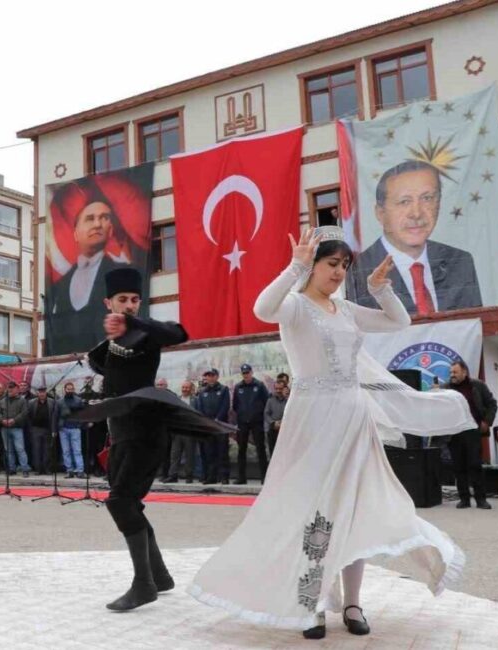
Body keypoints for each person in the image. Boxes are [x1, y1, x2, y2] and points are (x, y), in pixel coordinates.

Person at [190, 226, 475, 640]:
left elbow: (399, 320)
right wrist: (294, 267)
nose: (339, 272)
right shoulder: (296, 307)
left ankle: (353, 602)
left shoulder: (346, 311)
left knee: (352, 508)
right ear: (314, 264)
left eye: (344, 265)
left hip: (353, 415)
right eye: (331, 263)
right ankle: (313, 602)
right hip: (312, 416)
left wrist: (380, 289)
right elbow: (262, 308)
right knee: (315, 511)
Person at [75, 267, 231, 612]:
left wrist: (134, 323)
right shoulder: (111, 342)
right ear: (108, 303)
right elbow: (104, 369)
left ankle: (144, 584)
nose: (129, 305)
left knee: (120, 502)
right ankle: (158, 576)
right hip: (120, 433)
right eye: (122, 300)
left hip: (145, 432)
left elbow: (180, 331)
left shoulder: (147, 333)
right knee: (127, 502)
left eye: (134, 300)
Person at [348, 160, 481, 315]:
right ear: (380, 213)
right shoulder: (359, 270)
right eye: (404, 201)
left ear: (439, 203)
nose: (416, 213)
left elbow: (475, 329)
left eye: (427, 198)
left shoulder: (460, 262)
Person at [45, 190, 134, 355]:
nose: (97, 224)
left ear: (111, 229)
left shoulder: (122, 275)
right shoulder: (58, 287)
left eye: (104, 218)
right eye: (90, 218)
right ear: (75, 233)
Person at [440, 361, 497, 509]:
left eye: (455, 372)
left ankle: (481, 499)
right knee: (458, 466)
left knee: (475, 465)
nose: (452, 375)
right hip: (454, 432)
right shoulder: (445, 389)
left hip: (473, 431)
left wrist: (486, 421)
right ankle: (464, 499)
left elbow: (492, 404)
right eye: (451, 372)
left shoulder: (478, 386)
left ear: (464, 372)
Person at [232, 364, 269, 484]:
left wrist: (257, 414)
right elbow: (236, 405)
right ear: (242, 374)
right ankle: (241, 478)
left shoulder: (259, 385)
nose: (246, 375)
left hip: (256, 423)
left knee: (261, 449)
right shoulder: (238, 387)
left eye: (247, 372)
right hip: (243, 423)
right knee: (241, 450)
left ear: (251, 373)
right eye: (244, 373)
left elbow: (266, 402)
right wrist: (243, 416)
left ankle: (265, 477)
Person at [196, 369, 231, 485]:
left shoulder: (224, 389)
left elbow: (225, 406)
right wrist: (206, 421)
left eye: (212, 375)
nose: (210, 378)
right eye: (208, 376)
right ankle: (211, 477)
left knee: (222, 452)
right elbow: (200, 408)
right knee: (209, 453)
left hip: (221, 426)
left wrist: (217, 420)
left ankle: (224, 477)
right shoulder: (202, 392)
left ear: (217, 377)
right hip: (208, 427)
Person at [163, 381, 200, 484]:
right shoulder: (176, 399)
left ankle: (189, 476)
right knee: (174, 455)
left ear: (191, 389)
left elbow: (199, 415)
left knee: (189, 455)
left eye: (187, 387)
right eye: (183, 387)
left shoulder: (196, 400)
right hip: (177, 432)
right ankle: (173, 476)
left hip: (190, 431)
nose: (185, 389)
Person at [0, 382, 30, 477]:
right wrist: (2, 420)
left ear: (17, 389)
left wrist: (14, 420)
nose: (10, 390)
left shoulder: (22, 400)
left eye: (12, 388)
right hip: (5, 428)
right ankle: (12, 469)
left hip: (17, 428)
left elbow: (24, 413)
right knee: (9, 450)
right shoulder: (2, 401)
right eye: (9, 388)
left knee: (20, 449)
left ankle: (25, 469)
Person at [54, 382, 86, 478]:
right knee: (66, 451)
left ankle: (80, 470)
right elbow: (55, 415)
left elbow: (83, 413)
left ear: (74, 389)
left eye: (71, 389)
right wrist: (54, 429)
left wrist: (82, 424)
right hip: (63, 428)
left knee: (77, 450)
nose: (70, 390)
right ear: (65, 389)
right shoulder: (59, 401)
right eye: (68, 389)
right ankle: (69, 470)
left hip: (75, 428)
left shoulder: (78, 400)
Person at [26, 387, 57, 476]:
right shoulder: (31, 402)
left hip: (48, 429)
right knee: (36, 450)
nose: (42, 394)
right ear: (37, 393)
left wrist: (54, 430)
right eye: (40, 392)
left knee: (47, 451)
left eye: (43, 392)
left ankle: (47, 469)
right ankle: (38, 469)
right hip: (36, 429)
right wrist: (31, 429)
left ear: (46, 393)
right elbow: (28, 416)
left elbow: (55, 417)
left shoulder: (52, 402)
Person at [263, 379, 288, 456]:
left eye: (280, 389)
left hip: (286, 430)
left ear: (285, 388)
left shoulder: (289, 400)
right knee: (273, 452)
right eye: (276, 388)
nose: (278, 391)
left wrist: (282, 423)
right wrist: (274, 423)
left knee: (285, 452)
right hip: (273, 430)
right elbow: (266, 414)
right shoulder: (270, 400)